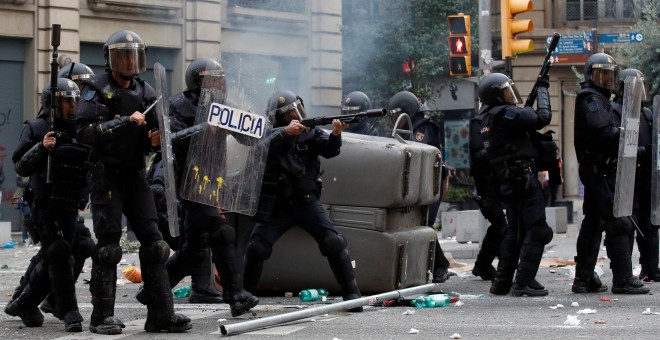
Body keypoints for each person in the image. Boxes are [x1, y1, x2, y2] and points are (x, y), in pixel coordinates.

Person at [75, 29, 191, 334]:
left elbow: (156, 136)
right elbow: (84, 132)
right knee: (109, 247)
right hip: (105, 174)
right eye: (122, 56)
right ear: (109, 59)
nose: (128, 62)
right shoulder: (95, 89)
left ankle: (161, 315)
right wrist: (124, 123)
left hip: (135, 174)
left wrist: (154, 140)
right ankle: (101, 317)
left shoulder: (147, 91)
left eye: (133, 55)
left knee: (155, 245)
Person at [141, 58, 259, 315]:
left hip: (212, 182)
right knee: (221, 232)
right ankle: (235, 295)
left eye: (221, 79)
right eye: (214, 80)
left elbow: (250, 139)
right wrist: (205, 129)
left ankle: (151, 291)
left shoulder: (224, 107)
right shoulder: (177, 105)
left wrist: (256, 124)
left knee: (192, 250)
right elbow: (170, 141)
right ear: (198, 81)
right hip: (188, 182)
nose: (220, 84)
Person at [244, 90, 363, 311]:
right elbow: (260, 150)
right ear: (278, 118)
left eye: (297, 109)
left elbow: (330, 151)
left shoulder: (311, 132)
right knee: (256, 249)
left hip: (306, 202)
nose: (296, 115)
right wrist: (285, 134)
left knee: (333, 242)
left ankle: (352, 294)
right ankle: (246, 298)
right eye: (289, 113)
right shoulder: (267, 134)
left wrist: (336, 133)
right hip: (277, 207)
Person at [5, 78, 87, 332]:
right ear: (52, 103)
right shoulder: (37, 127)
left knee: (80, 247)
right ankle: (69, 311)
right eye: (66, 101)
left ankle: (28, 302)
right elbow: (20, 165)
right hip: (44, 203)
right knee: (59, 251)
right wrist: (42, 147)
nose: (73, 105)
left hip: (70, 203)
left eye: (75, 100)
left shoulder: (80, 127)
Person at [573, 53, 649, 294]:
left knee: (593, 223)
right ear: (591, 75)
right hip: (599, 171)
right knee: (619, 220)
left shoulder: (599, 98)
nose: (607, 79)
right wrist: (625, 134)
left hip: (600, 170)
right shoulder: (591, 99)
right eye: (602, 74)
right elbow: (604, 132)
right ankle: (623, 279)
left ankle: (584, 278)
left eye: (610, 74)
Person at [478, 72, 553, 297]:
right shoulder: (505, 113)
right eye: (506, 91)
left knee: (516, 231)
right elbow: (542, 118)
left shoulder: (488, 117)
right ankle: (523, 282)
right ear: (496, 96)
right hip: (523, 179)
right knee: (538, 229)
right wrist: (542, 89)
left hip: (511, 180)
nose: (510, 96)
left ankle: (501, 283)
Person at [387, 90, 450, 283]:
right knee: (415, 223)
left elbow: (420, 150)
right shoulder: (404, 129)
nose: (395, 118)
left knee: (426, 223)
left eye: (397, 114)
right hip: (414, 184)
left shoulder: (424, 128)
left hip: (430, 184)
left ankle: (440, 265)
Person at [613, 68, 659, 282]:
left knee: (650, 225)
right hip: (626, 177)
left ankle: (651, 268)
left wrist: (648, 151)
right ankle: (625, 273)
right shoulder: (616, 111)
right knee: (627, 223)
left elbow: (654, 143)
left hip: (646, 177)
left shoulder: (647, 114)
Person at [468, 108, 507, 280]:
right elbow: (480, 153)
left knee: (500, 227)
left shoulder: (500, 119)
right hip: (486, 185)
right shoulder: (479, 122)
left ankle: (484, 264)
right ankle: (484, 265)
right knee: (501, 226)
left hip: (498, 184)